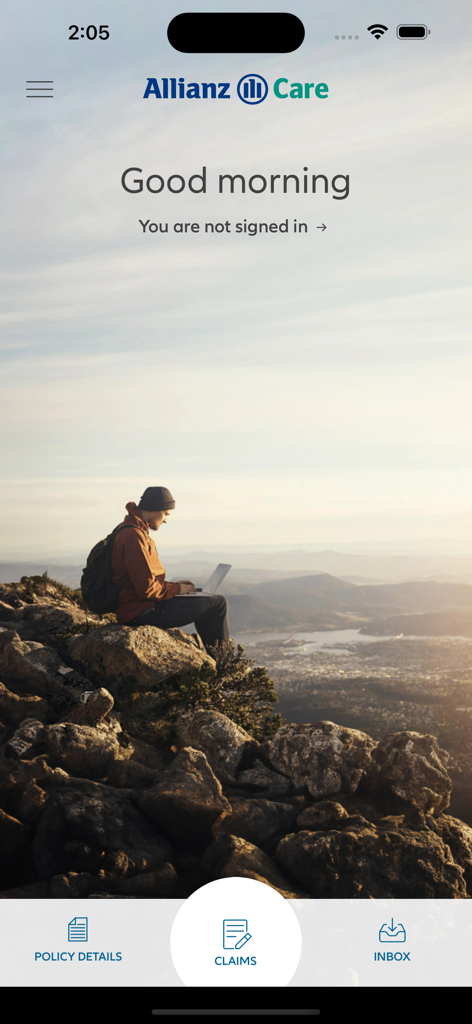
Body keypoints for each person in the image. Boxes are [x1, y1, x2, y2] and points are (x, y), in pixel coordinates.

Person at [110, 486, 230, 650]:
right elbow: (146, 589)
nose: (166, 519)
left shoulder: (131, 529)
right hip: (141, 611)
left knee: (203, 595)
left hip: (139, 606)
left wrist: (175, 587)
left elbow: (142, 581)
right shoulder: (134, 536)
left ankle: (215, 658)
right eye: (166, 514)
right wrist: (177, 589)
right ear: (155, 509)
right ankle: (223, 662)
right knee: (217, 603)